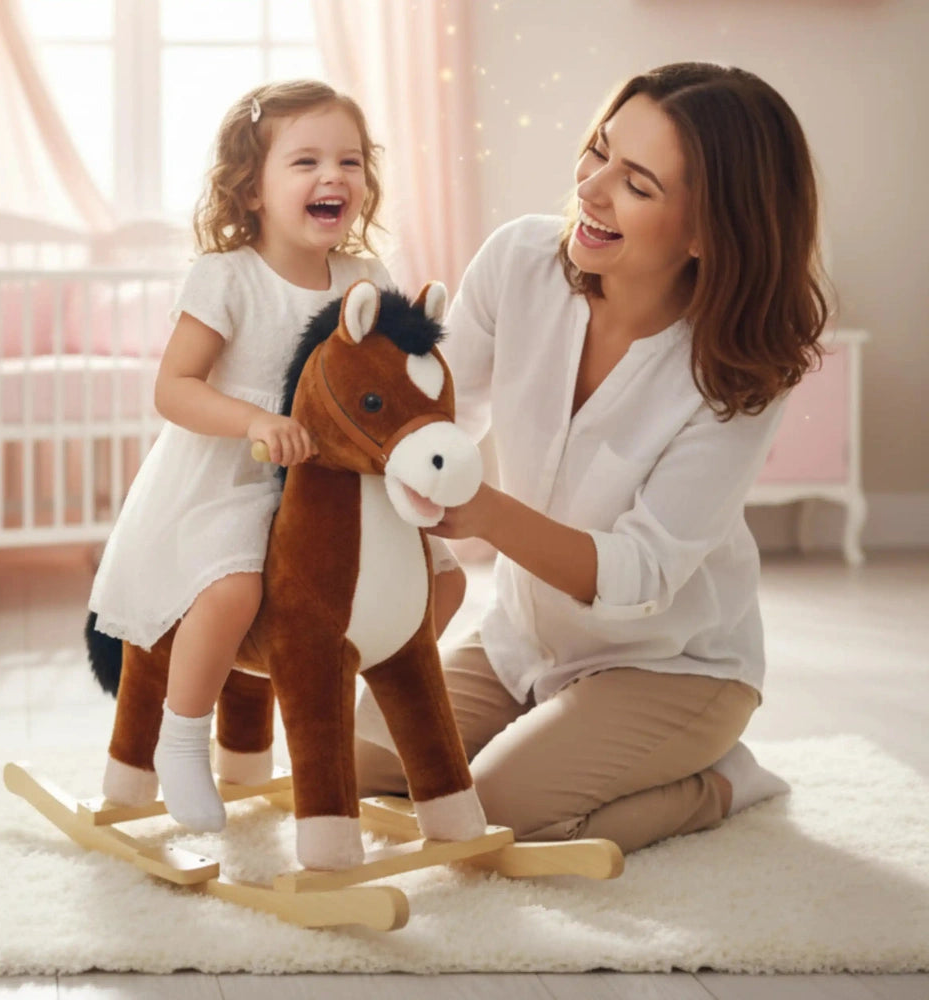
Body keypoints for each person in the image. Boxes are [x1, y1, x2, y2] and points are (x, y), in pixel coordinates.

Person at [355, 62, 828, 855]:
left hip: (674, 666)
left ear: (709, 231)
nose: (593, 188)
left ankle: (720, 783)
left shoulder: (739, 374)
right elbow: (442, 411)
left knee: (498, 812)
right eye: (599, 151)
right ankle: (552, 737)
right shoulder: (520, 263)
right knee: (353, 755)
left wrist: (483, 512)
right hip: (523, 644)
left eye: (637, 184)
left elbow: (640, 574)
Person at [89, 79, 392, 832]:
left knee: (436, 578)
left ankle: (353, 706)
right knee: (231, 588)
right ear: (251, 190)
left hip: (326, 485)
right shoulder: (227, 278)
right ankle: (182, 737)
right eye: (306, 162)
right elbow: (175, 388)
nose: (334, 177)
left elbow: (384, 381)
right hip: (232, 482)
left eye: (349, 161)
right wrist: (255, 418)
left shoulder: (366, 279)